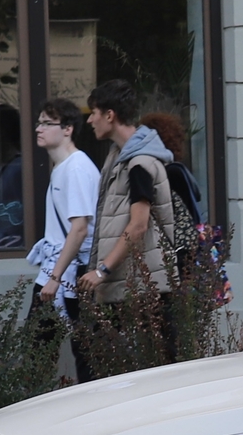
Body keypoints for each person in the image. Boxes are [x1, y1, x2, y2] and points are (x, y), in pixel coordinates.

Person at [77, 80, 186, 360]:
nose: (89, 119)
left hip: (141, 287)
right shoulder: (119, 158)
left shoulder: (139, 164)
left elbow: (138, 225)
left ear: (110, 115)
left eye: (94, 112)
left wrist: (102, 271)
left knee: (152, 366)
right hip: (130, 284)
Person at [26, 99, 98, 318]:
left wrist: (54, 278)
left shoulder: (75, 168)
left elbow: (79, 229)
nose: (39, 129)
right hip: (61, 268)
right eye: (39, 123)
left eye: (48, 123)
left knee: (46, 344)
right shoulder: (64, 166)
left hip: (69, 271)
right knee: (41, 343)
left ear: (68, 129)